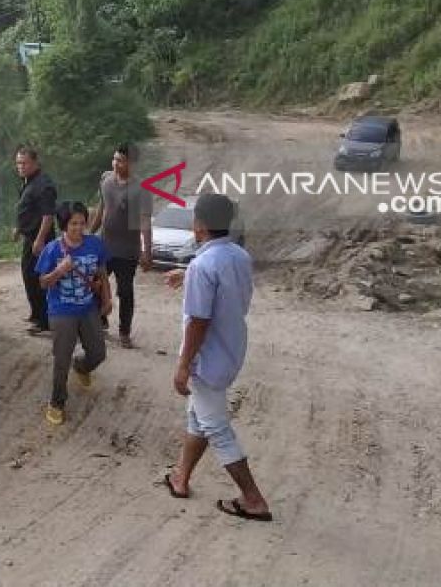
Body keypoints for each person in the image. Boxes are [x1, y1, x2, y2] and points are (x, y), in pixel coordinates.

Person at [161, 193, 271, 522]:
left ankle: (253, 499)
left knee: (216, 427)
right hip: (231, 349)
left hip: (207, 360)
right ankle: (181, 477)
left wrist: (183, 365)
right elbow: (223, 286)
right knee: (199, 416)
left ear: (200, 226)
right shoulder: (238, 256)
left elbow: (199, 320)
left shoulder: (203, 266)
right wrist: (188, 275)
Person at [36, 201, 111, 426]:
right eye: (73, 224)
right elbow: (42, 282)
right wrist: (59, 270)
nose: (79, 228)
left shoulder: (95, 244)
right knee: (61, 358)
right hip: (62, 310)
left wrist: (107, 299)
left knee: (98, 352)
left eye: (82, 223)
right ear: (63, 226)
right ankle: (57, 402)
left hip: (88, 307)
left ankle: (82, 366)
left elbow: (102, 272)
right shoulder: (52, 250)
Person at [90, 142, 152, 348]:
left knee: (125, 291)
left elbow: (144, 221)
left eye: (121, 161)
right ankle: (100, 319)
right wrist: (90, 234)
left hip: (127, 250)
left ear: (131, 163)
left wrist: (146, 251)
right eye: (114, 159)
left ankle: (124, 331)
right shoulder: (106, 181)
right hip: (104, 245)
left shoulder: (141, 189)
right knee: (94, 282)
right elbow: (102, 208)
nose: (116, 164)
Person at [14, 145, 57, 336]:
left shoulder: (43, 185)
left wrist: (39, 240)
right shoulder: (28, 182)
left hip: (41, 240)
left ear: (35, 163)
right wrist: (19, 228)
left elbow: (48, 216)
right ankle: (36, 314)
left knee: (37, 278)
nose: (20, 166)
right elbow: (28, 210)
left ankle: (44, 320)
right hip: (30, 236)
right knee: (29, 276)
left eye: (24, 163)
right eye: (18, 163)